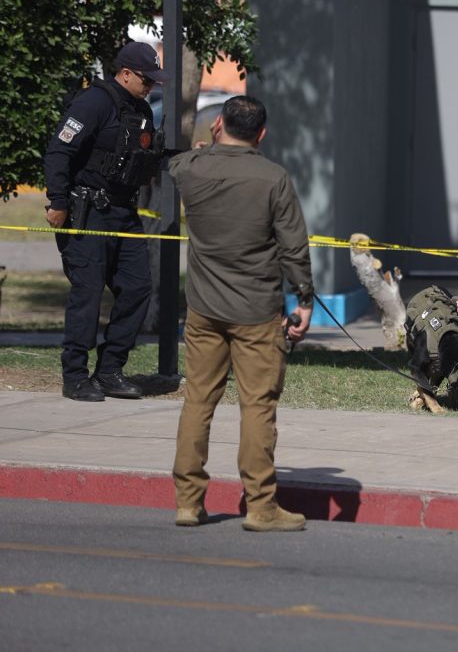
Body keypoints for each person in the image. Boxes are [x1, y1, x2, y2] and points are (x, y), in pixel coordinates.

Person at [168, 95, 314, 532]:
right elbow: (293, 246)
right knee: (257, 406)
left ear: (218, 124)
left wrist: (208, 147)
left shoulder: (191, 169)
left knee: (198, 400)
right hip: (256, 311)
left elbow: (179, 162)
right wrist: (303, 298)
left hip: (204, 309)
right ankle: (261, 506)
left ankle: (188, 501)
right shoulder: (273, 178)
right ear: (262, 134)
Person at [44, 41, 169, 402]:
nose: (150, 87)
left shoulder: (141, 107)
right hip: (88, 212)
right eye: (146, 80)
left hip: (123, 214)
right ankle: (75, 375)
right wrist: (58, 201)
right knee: (88, 292)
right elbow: (59, 151)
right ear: (125, 73)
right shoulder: (93, 102)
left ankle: (111, 370)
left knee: (137, 288)